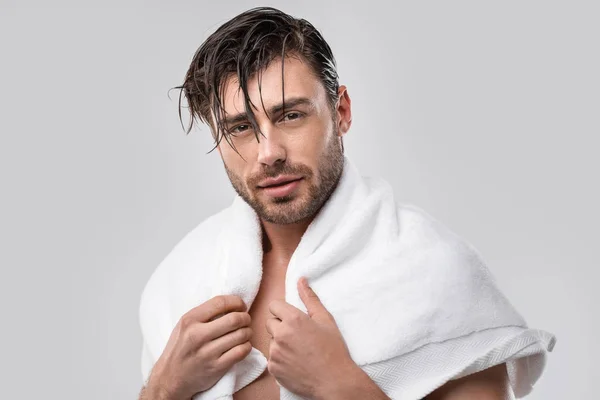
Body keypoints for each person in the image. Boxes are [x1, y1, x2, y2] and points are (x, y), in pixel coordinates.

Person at [138, 7, 554, 400]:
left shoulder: (435, 271)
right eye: (242, 127)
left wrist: (341, 384)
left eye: (290, 116)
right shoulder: (184, 279)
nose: (269, 153)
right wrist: (163, 388)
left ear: (341, 111)